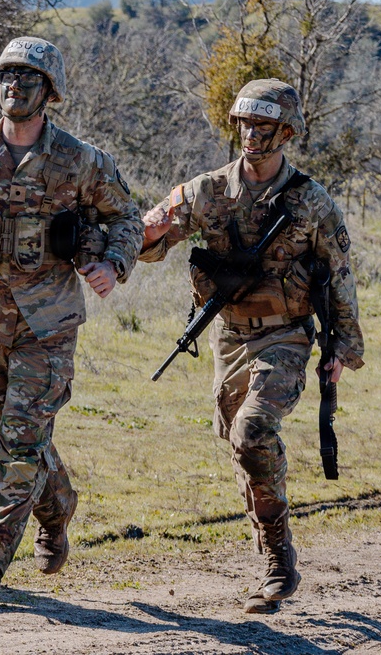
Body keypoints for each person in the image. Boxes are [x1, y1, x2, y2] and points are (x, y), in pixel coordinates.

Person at [0, 37, 143, 609]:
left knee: (20, 440)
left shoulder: (79, 159)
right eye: (6, 78)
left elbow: (126, 217)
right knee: (9, 440)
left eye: (27, 79)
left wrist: (112, 264)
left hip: (49, 323)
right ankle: (57, 505)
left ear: (49, 92)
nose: (14, 87)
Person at [140, 79, 364, 614]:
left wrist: (344, 347)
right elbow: (151, 238)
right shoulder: (208, 190)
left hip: (286, 335)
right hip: (229, 334)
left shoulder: (311, 201)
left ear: (286, 132)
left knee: (253, 429)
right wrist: (126, 238)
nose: (251, 136)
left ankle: (278, 560)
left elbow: (340, 276)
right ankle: (272, 544)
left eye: (263, 127)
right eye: (244, 124)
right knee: (241, 446)